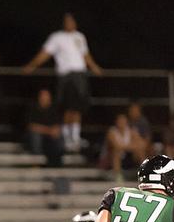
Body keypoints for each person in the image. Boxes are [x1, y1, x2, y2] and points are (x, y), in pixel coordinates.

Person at [23, 13, 103, 153]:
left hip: (80, 74)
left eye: (72, 21)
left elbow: (85, 55)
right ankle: (66, 138)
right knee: (67, 107)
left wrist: (94, 67)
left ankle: (75, 137)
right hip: (66, 75)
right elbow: (45, 53)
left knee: (78, 107)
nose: (70, 23)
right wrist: (32, 66)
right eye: (67, 21)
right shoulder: (57, 37)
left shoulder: (80, 36)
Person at [102, 113, 148, 180]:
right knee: (116, 152)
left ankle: (145, 174)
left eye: (123, 121)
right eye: (120, 121)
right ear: (116, 122)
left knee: (140, 151)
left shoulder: (131, 131)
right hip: (112, 158)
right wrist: (131, 146)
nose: (121, 123)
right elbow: (116, 146)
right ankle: (118, 176)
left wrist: (127, 147)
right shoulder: (111, 132)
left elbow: (141, 144)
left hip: (128, 156)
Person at [26, 89, 64, 167]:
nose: (44, 98)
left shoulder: (54, 109)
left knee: (59, 136)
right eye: (43, 96)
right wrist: (48, 130)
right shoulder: (33, 108)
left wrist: (54, 131)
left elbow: (58, 126)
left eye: (46, 96)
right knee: (35, 136)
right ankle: (36, 163)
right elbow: (32, 126)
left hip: (49, 136)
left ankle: (57, 163)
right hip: (38, 135)